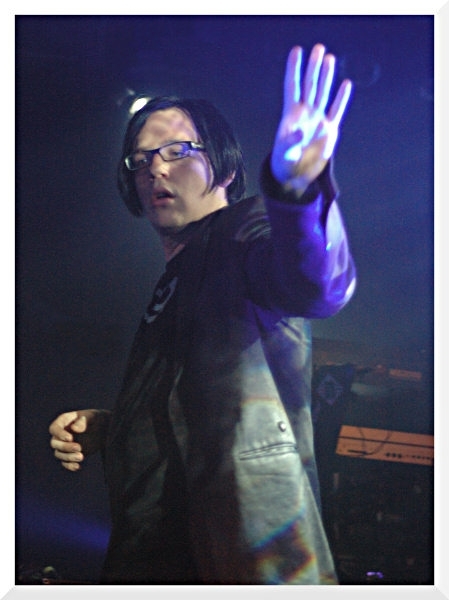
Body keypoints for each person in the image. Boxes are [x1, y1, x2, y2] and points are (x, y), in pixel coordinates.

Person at [49, 43, 356, 585]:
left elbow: (317, 286)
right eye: (141, 159)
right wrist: (115, 428)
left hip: (242, 558)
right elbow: (191, 409)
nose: (155, 169)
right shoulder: (176, 277)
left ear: (225, 164)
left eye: (177, 150)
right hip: (152, 558)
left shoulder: (245, 232)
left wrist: (295, 192)